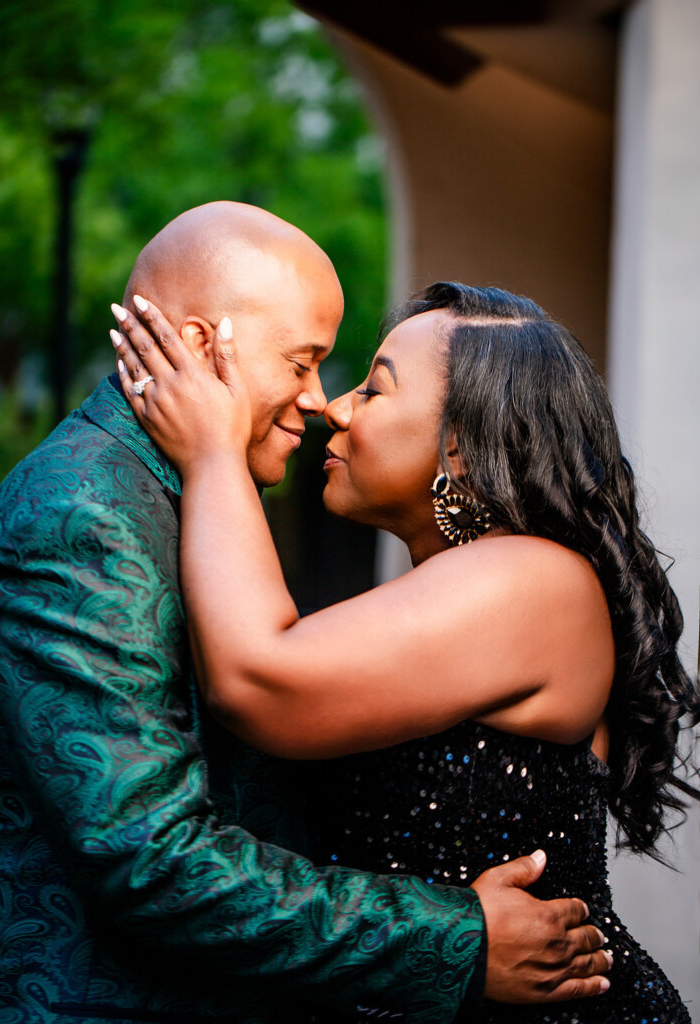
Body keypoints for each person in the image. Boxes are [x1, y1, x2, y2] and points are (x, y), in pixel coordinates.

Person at [0, 205, 610, 1024]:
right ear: (205, 352)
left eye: (364, 383)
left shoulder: (189, 502)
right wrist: (455, 933)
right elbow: (152, 858)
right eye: (306, 361)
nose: (324, 403)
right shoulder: (84, 515)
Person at [111, 275, 700, 1024]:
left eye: (375, 389)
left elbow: (260, 681)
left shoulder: (536, 578)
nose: (334, 406)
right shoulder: (466, 589)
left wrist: (212, 453)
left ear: (458, 438)